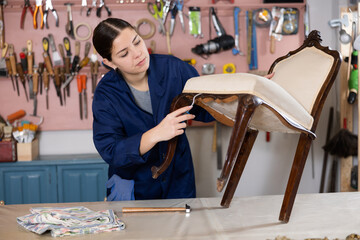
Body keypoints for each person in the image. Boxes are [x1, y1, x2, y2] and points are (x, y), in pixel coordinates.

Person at [92, 18, 214, 201]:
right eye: (124, 54)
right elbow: (111, 151)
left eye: (137, 42)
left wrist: (246, 90)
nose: (138, 54)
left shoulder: (174, 68)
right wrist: (156, 133)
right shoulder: (106, 93)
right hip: (133, 185)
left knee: (183, 229)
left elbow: (206, 108)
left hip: (177, 180)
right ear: (109, 62)